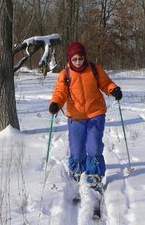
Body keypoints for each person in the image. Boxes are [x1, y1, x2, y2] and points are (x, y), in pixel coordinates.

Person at [48, 41, 122, 188]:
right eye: (74, 59)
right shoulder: (65, 75)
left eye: (81, 58)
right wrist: (55, 104)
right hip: (76, 117)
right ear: (70, 59)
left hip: (95, 113)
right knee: (77, 151)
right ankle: (78, 169)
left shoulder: (94, 69)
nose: (78, 62)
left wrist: (113, 89)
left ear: (85, 58)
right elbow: (60, 93)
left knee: (94, 147)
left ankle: (95, 173)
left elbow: (106, 83)